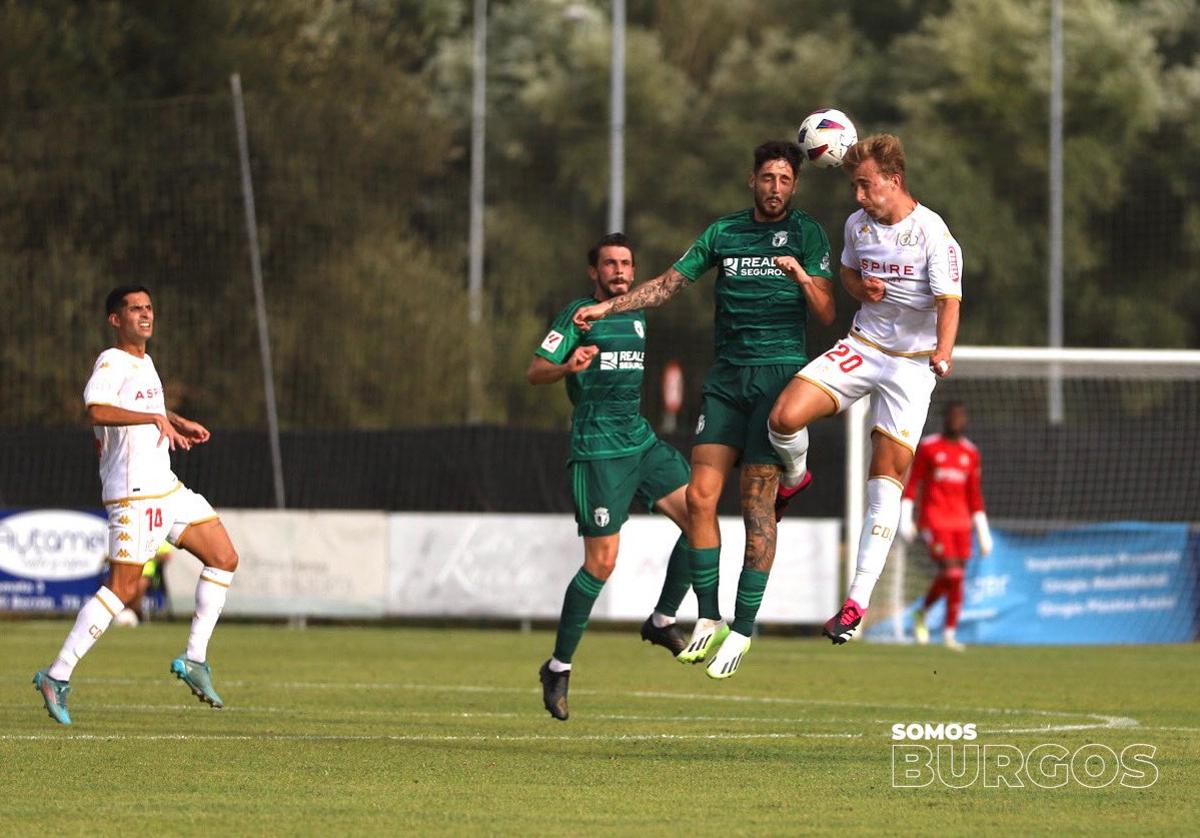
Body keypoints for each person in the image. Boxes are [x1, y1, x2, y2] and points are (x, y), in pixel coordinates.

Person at [574, 142, 836, 679]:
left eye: (785, 179)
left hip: (778, 376)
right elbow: (669, 285)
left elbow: (829, 312)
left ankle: (743, 627)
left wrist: (802, 277)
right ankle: (709, 616)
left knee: (756, 505)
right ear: (752, 180)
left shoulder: (808, 234)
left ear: (795, 185)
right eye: (768, 177)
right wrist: (608, 305)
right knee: (699, 499)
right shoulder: (724, 232)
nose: (776, 187)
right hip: (726, 380)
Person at [766, 133, 963, 645]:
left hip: (912, 367)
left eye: (864, 185)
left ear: (893, 182)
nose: (857, 196)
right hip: (864, 345)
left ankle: (855, 603)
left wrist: (943, 352)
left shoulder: (932, 234)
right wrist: (861, 289)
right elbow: (850, 275)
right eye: (854, 185)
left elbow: (949, 302)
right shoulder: (858, 225)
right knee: (783, 417)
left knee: (885, 482)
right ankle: (796, 476)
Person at [33, 285, 240, 725]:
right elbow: (96, 410)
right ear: (115, 319)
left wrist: (174, 420)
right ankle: (57, 675)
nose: (145, 315)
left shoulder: (145, 362)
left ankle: (194, 659)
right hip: (134, 492)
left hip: (164, 486)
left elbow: (150, 408)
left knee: (223, 556)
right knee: (123, 588)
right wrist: (151, 418)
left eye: (148, 308)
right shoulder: (111, 361)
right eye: (134, 309)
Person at [529, 233, 695, 720]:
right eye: (609, 264)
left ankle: (662, 620)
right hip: (598, 451)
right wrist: (567, 368)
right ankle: (558, 667)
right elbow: (536, 369)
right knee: (602, 564)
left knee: (701, 518)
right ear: (593, 272)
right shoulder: (579, 315)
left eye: (626, 263)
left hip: (640, 442)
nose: (619, 271)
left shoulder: (637, 312)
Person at [900, 400, 992, 650]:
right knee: (952, 572)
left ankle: (949, 633)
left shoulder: (970, 453)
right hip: (933, 519)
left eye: (961, 416)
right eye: (952, 416)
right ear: (945, 418)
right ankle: (924, 614)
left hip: (961, 523)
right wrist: (905, 515)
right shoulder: (929, 447)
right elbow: (913, 481)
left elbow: (974, 493)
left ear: (966, 421)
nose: (956, 420)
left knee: (956, 578)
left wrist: (982, 530)